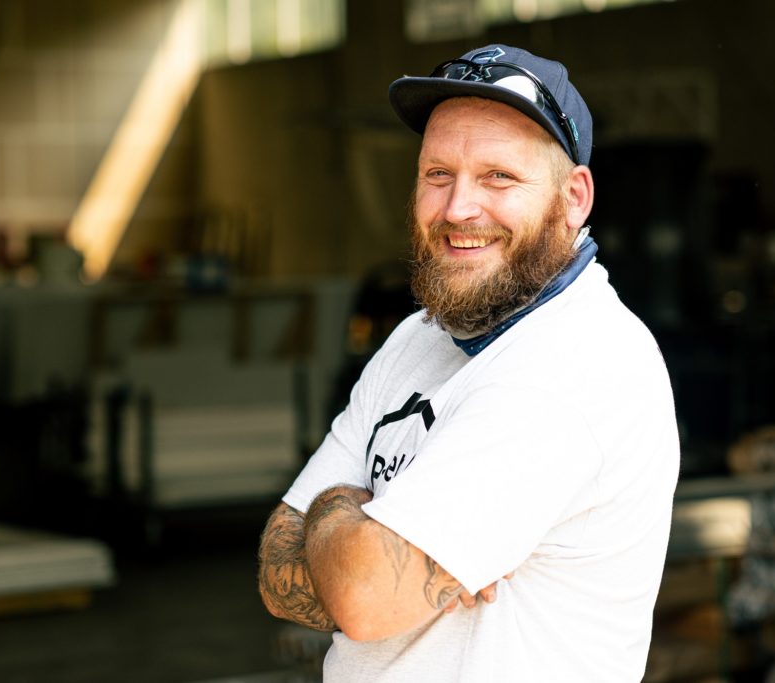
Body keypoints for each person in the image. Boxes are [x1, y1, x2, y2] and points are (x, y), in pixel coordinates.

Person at [258, 43, 680, 682]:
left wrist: (341, 507)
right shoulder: (416, 338)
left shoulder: (579, 360)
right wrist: (353, 521)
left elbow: (365, 600)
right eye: (437, 174)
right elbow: (274, 571)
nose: (458, 209)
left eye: (498, 177)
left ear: (574, 197)